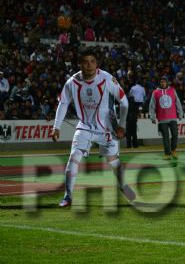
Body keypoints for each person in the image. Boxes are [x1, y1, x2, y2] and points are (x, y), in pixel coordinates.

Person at [50, 47, 136, 207]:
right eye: (85, 62)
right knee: (73, 158)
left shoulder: (107, 79)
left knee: (113, 162)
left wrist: (122, 125)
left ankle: (123, 186)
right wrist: (56, 127)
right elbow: (63, 103)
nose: (89, 65)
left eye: (92, 62)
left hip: (107, 128)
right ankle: (68, 196)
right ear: (80, 64)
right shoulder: (72, 82)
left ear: (97, 64)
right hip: (84, 126)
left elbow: (124, 102)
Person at [149, 76, 183, 160]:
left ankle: (173, 150)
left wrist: (180, 113)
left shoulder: (172, 90)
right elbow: (152, 106)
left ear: (167, 82)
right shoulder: (155, 92)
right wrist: (152, 117)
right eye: (161, 82)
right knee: (165, 137)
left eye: (164, 82)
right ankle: (167, 153)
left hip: (173, 117)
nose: (162, 83)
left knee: (175, 134)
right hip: (162, 119)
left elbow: (177, 102)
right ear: (159, 83)